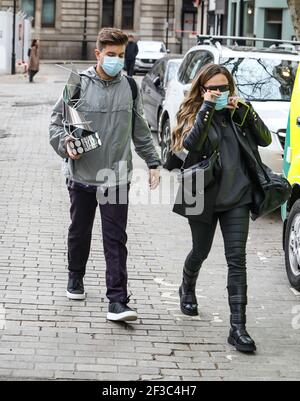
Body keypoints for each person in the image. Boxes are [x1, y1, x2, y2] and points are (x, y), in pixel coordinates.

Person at [49, 28, 161, 322]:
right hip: (82, 174)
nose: (116, 60)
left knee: (115, 239)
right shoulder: (77, 84)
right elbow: (56, 123)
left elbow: (140, 129)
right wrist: (65, 144)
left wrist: (152, 162)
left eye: (121, 55)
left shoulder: (131, 87)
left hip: (116, 177)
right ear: (98, 54)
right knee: (79, 231)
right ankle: (75, 276)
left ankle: (117, 301)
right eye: (111, 55)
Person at [172, 63, 272, 353]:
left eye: (222, 87)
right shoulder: (193, 112)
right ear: (203, 89)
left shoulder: (238, 113)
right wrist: (206, 109)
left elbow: (265, 139)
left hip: (237, 196)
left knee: (237, 260)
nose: (217, 92)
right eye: (212, 88)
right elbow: (191, 145)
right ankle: (187, 286)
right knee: (200, 251)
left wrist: (244, 110)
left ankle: (238, 328)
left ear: (230, 88)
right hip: (201, 195)